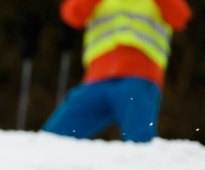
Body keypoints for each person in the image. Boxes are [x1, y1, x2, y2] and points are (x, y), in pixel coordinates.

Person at [43, 0, 191, 142]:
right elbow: (72, 15)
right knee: (51, 139)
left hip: (139, 79)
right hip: (95, 82)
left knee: (140, 143)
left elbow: (181, 17)